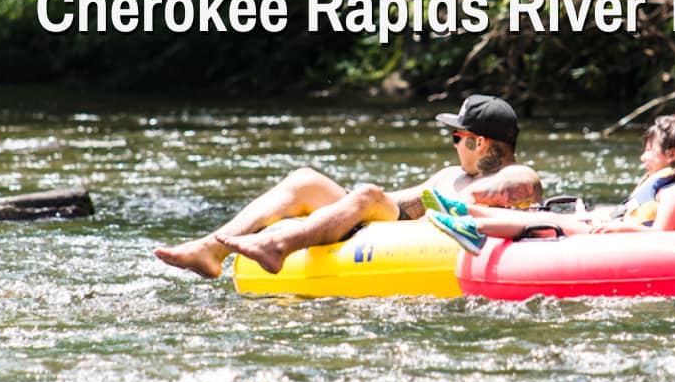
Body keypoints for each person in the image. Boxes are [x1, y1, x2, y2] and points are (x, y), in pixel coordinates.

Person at [153, 94, 543, 277]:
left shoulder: (519, 176)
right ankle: (209, 250)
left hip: (435, 248)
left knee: (369, 194)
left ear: (479, 143)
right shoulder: (450, 175)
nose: (454, 145)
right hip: (399, 233)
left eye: (456, 137)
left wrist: (375, 200)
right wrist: (363, 201)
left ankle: (278, 246)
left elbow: (498, 195)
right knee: (306, 180)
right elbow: (400, 204)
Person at [425, 109, 675, 254]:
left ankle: (476, 229)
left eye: (650, 149)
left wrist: (621, 227)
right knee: (546, 214)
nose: (643, 157)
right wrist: (597, 215)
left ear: (671, 154)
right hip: (608, 231)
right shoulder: (660, 184)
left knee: (553, 224)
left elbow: (664, 236)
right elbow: (632, 211)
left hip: (621, 243)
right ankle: (463, 211)